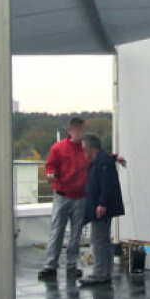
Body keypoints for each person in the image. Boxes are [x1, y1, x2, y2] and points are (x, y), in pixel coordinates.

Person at [37, 117, 88, 280]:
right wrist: (51, 176)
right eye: (77, 130)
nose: (80, 133)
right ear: (70, 130)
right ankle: (51, 264)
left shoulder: (86, 149)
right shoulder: (58, 149)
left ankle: (72, 265)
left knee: (76, 233)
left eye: (82, 130)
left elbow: (98, 157)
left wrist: (114, 158)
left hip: (80, 196)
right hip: (62, 195)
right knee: (57, 230)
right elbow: (51, 166)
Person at [79, 133, 125, 286]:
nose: (83, 151)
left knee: (98, 240)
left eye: (84, 148)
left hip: (101, 208)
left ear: (91, 147)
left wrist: (102, 204)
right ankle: (105, 271)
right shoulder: (102, 159)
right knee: (103, 240)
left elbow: (107, 184)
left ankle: (100, 272)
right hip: (100, 206)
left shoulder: (102, 161)